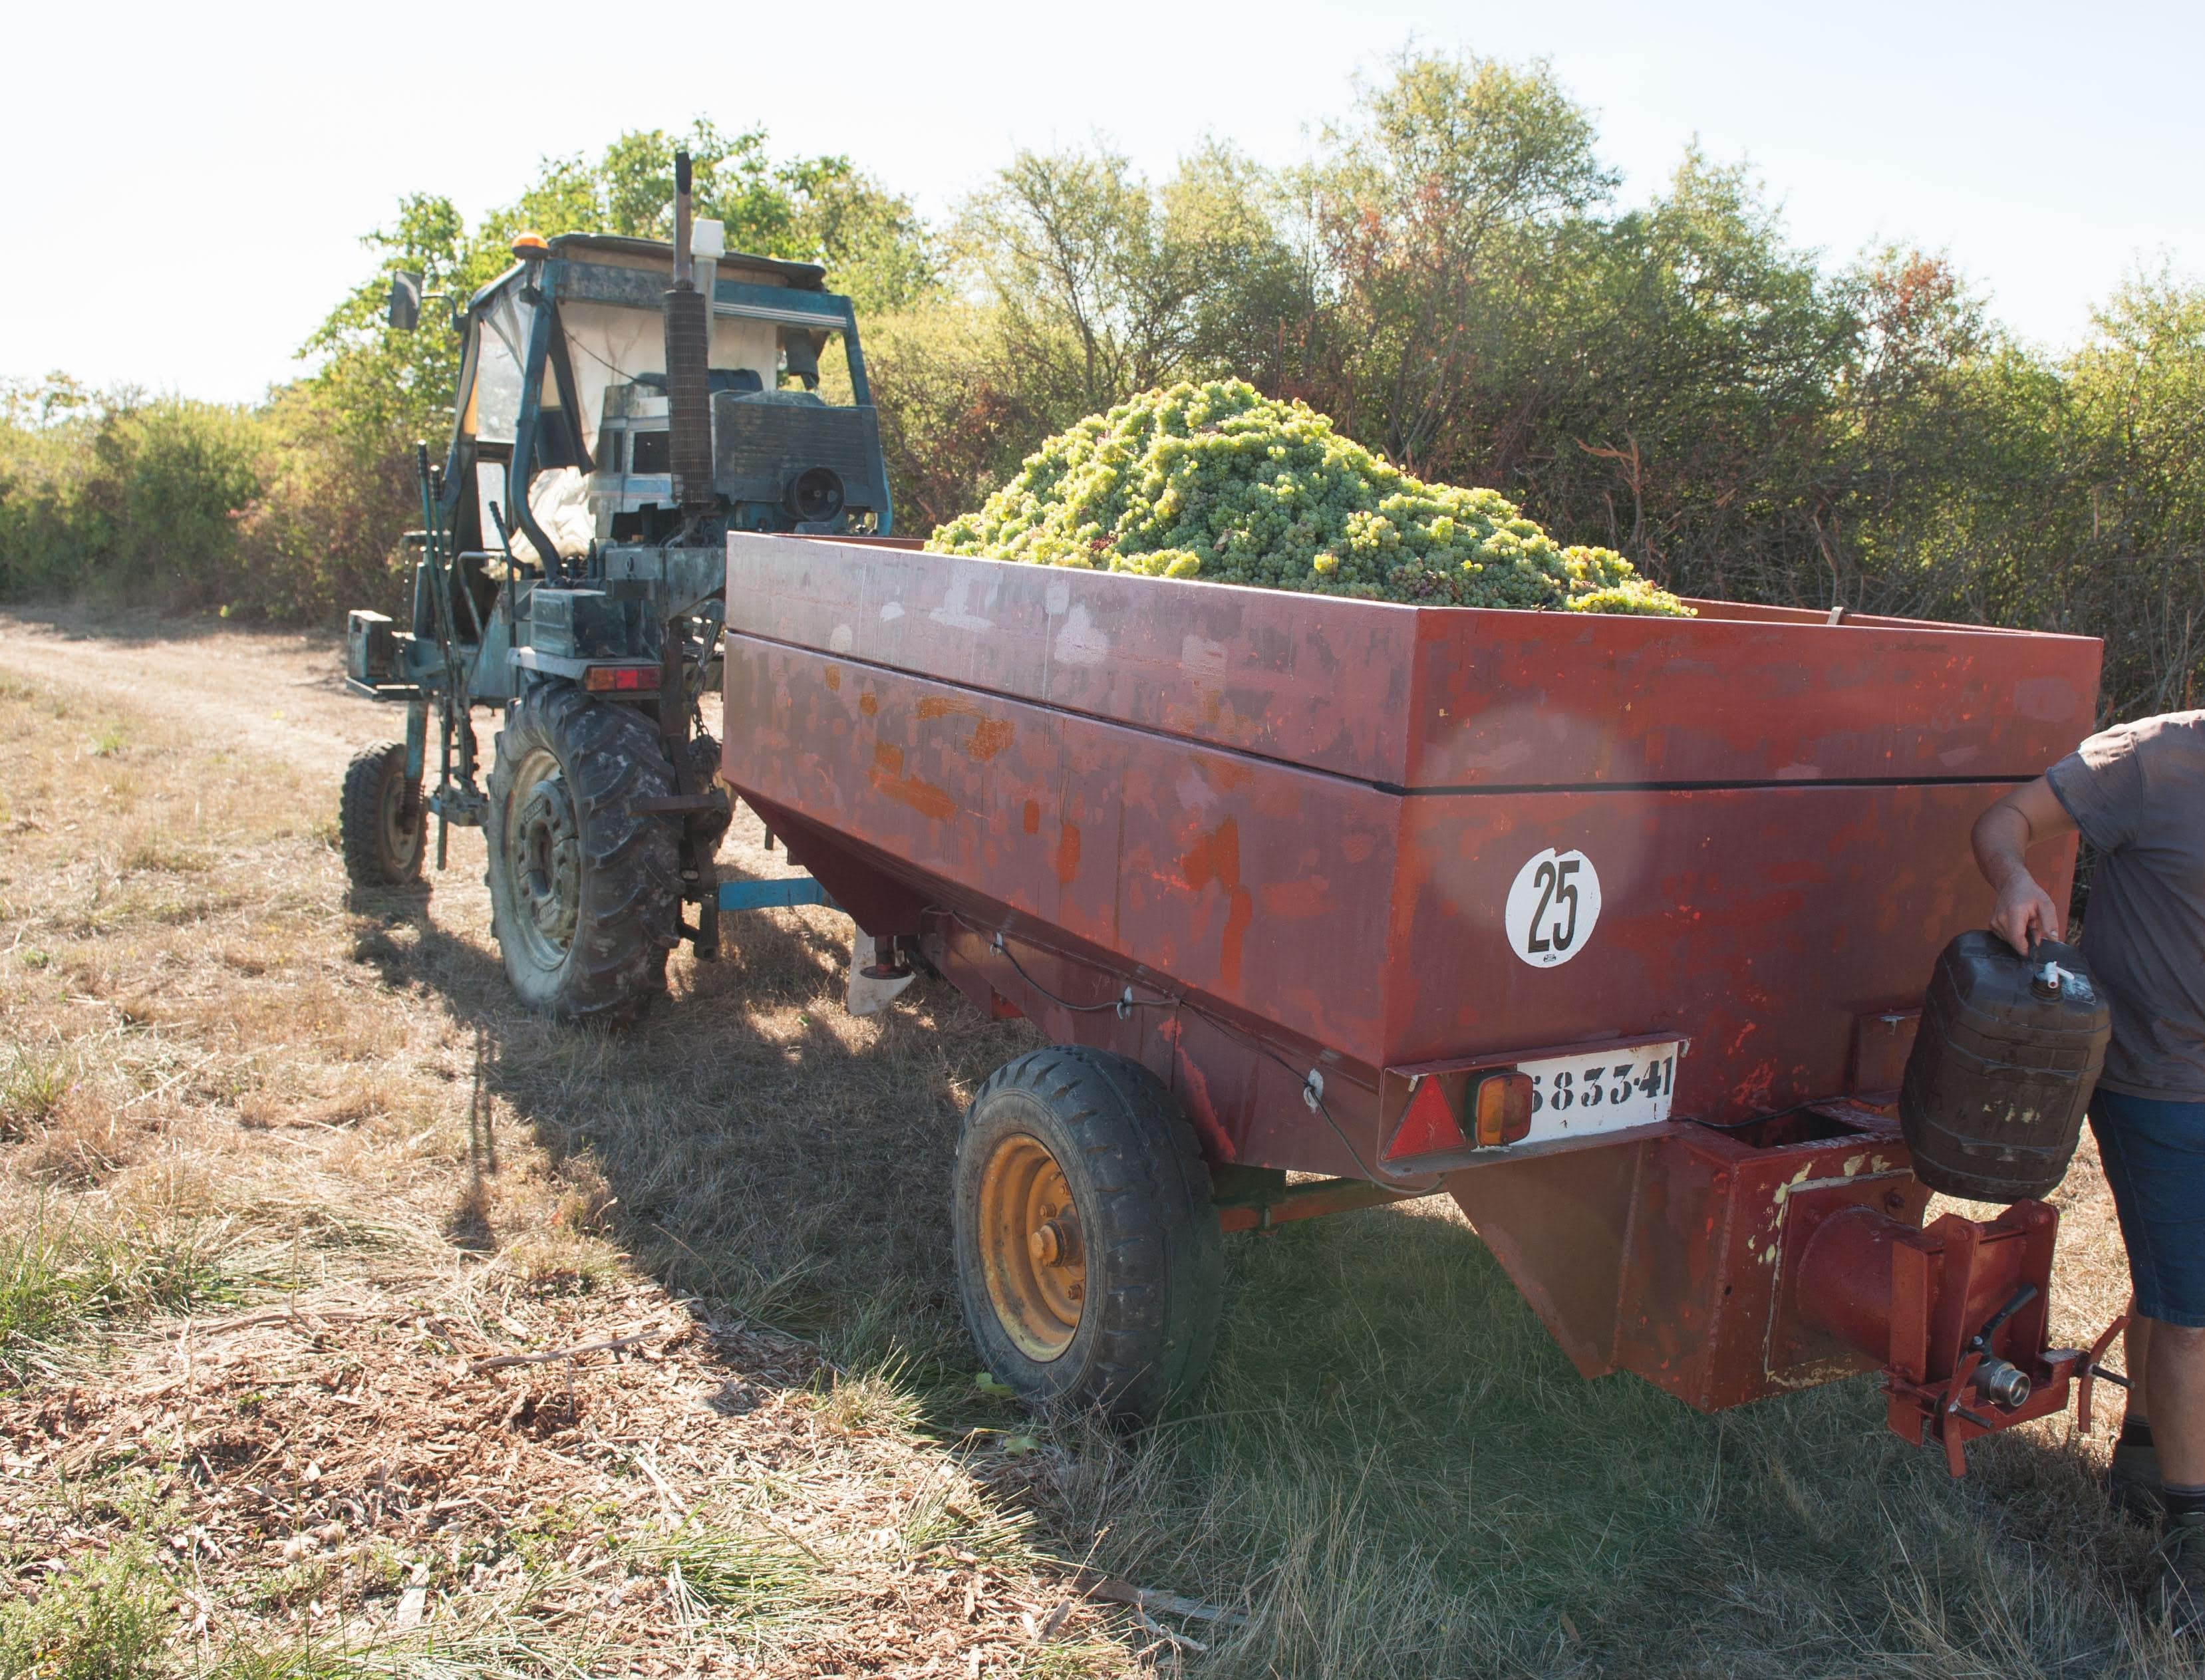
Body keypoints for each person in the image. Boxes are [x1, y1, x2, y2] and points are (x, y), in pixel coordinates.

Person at [1972, 710, 2205, 1627]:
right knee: (2192, 1315)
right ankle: (2193, 1557)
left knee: (2172, 1279)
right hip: (2158, 1080)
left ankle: (2145, 1466)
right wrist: (2019, 877)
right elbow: (2002, 821)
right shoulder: (2154, 758)